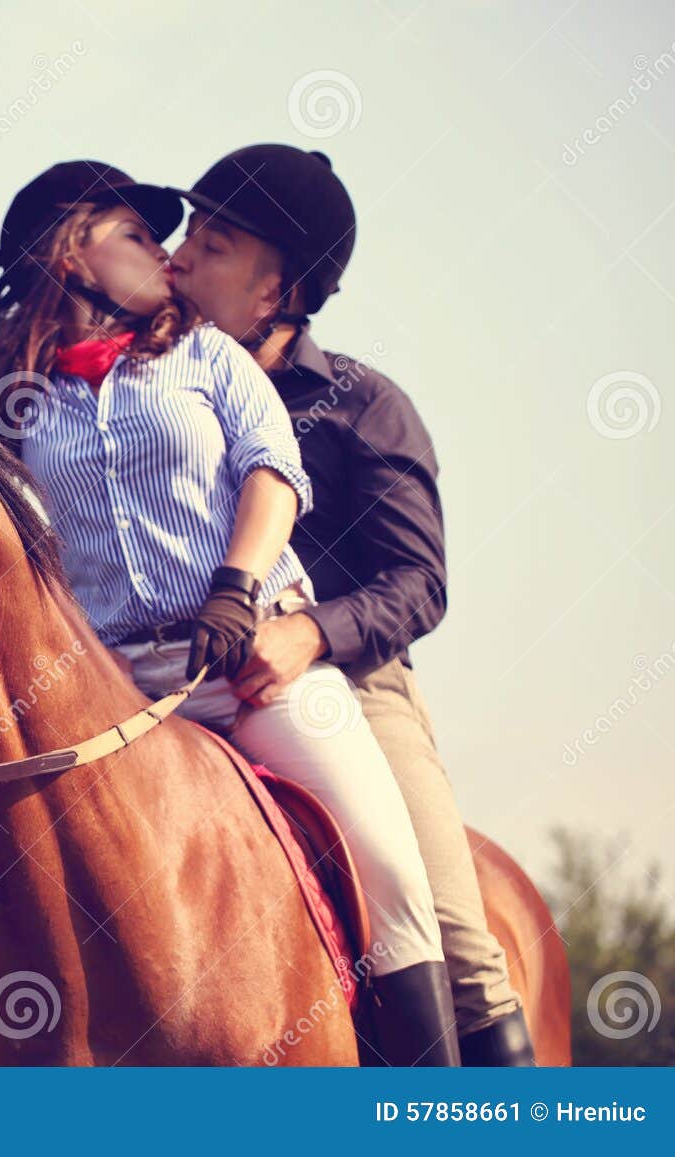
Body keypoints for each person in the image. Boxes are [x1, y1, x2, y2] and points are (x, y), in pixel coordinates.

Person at [0, 161, 459, 1066]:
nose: (169, 257)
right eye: (139, 235)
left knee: (388, 867)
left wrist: (237, 584)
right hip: (110, 695)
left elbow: (274, 469)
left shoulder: (206, 355)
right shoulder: (3, 397)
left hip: (248, 668)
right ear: (71, 252)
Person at [163, 145, 534, 1067]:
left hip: (352, 682)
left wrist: (308, 631)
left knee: (454, 932)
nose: (177, 258)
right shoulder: (152, 392)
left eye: (212, 245)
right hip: (177, 675)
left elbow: (420, 584)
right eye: (183, 235)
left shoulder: (363, 405)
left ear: (277, 292)